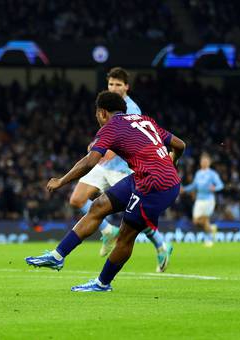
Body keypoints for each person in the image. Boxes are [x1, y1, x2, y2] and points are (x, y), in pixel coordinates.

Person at [25, 91, 185, 292]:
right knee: (98, 206)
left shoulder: (111, 127)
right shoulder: (144, 120)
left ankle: (102, 283)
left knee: (127, 234)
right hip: (146, 177)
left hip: (155, 185)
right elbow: (180, 144)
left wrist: (62, 181)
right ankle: (57, 256)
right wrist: (173, 161)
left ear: (102, 113)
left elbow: (90, 161)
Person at [69, 67, 172, 272]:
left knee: (135, 217)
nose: (114, 88)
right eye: (111, 84)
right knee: (77, 200)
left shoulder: (132, 109)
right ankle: (107, 231)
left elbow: (126, 141)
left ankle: (161, 244)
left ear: (126, 87)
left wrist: (98, 152)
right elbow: (107, 133)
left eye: (118, 84)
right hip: (104, 165)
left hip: (124, 169)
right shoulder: (108, 105)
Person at [182, 153, 224, 247]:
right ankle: (212, 228)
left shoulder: (212, 174)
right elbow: (194, 186)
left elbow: (221, 185)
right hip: (199, 200)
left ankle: (208, 240)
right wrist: (185, 189)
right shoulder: (198, 173)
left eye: (206, 161)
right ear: (200, 162)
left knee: (205, 219)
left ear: (209, 162)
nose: (204, 163)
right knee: (196, 221)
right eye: (202, 161)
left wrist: (215, 188)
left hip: (209, 199)